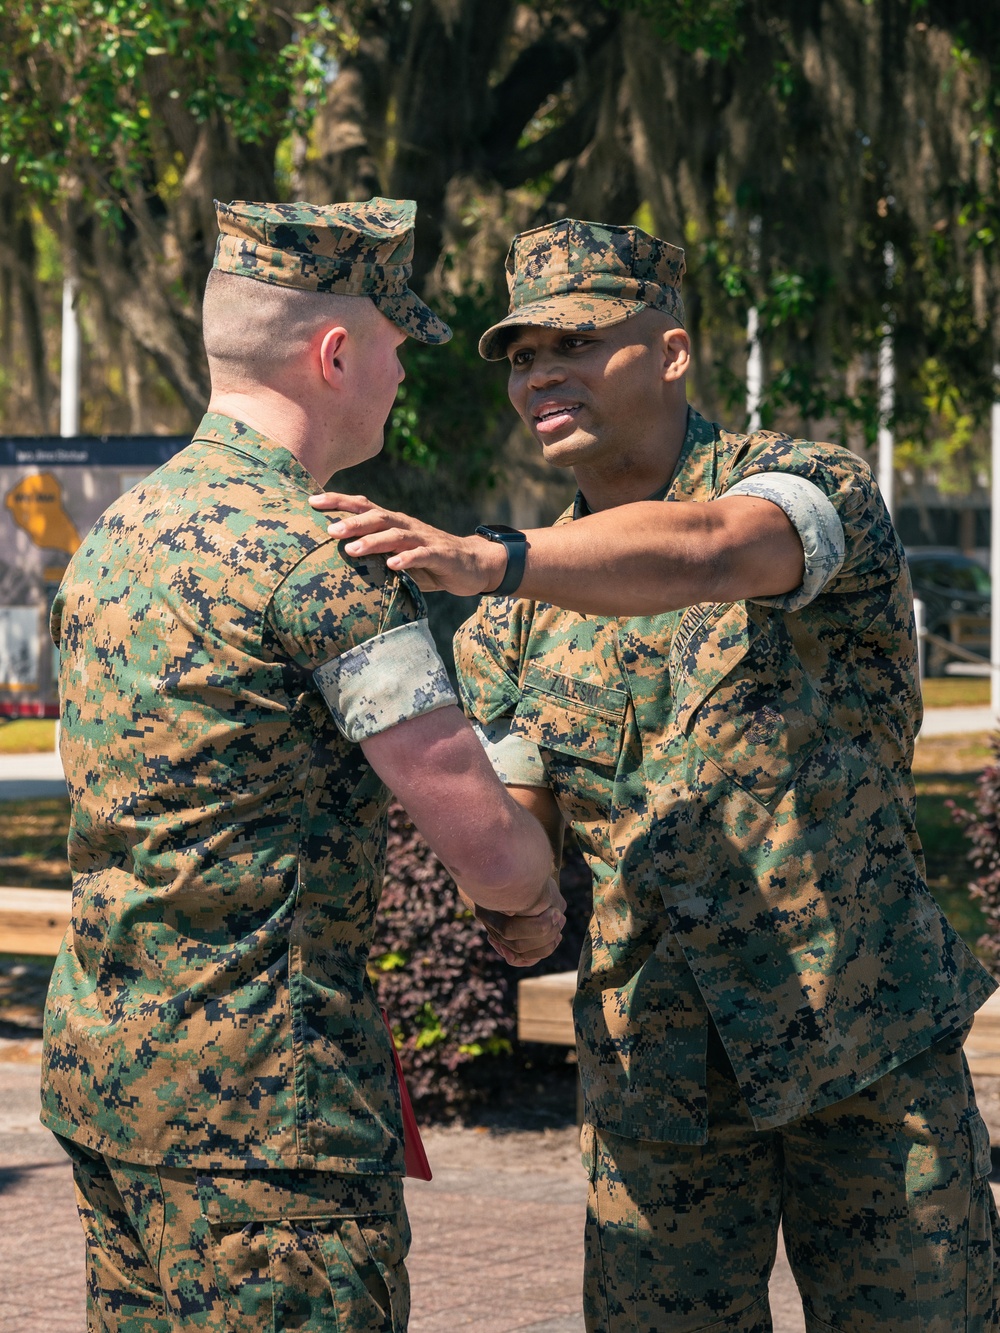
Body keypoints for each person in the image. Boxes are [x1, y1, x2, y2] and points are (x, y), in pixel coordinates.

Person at [309, 216, 1000, 1332]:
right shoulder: (511, 624)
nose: (541, 377)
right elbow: (522, 828)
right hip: (658, 1081)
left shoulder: (801, 486)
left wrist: (493, 558)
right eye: (522, 358)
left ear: (669, 352)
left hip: (864, 1052)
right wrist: (504, 893)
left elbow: (711, 550)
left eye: (573, 343)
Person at [40, 197, 565, 1333]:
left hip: (109, 1089)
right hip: (269, 1125)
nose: (400, 375)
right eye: (393, 346)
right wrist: (535, 888)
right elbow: (483, 842)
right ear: (334, 354)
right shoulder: (326, 560)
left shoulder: (115, 539)